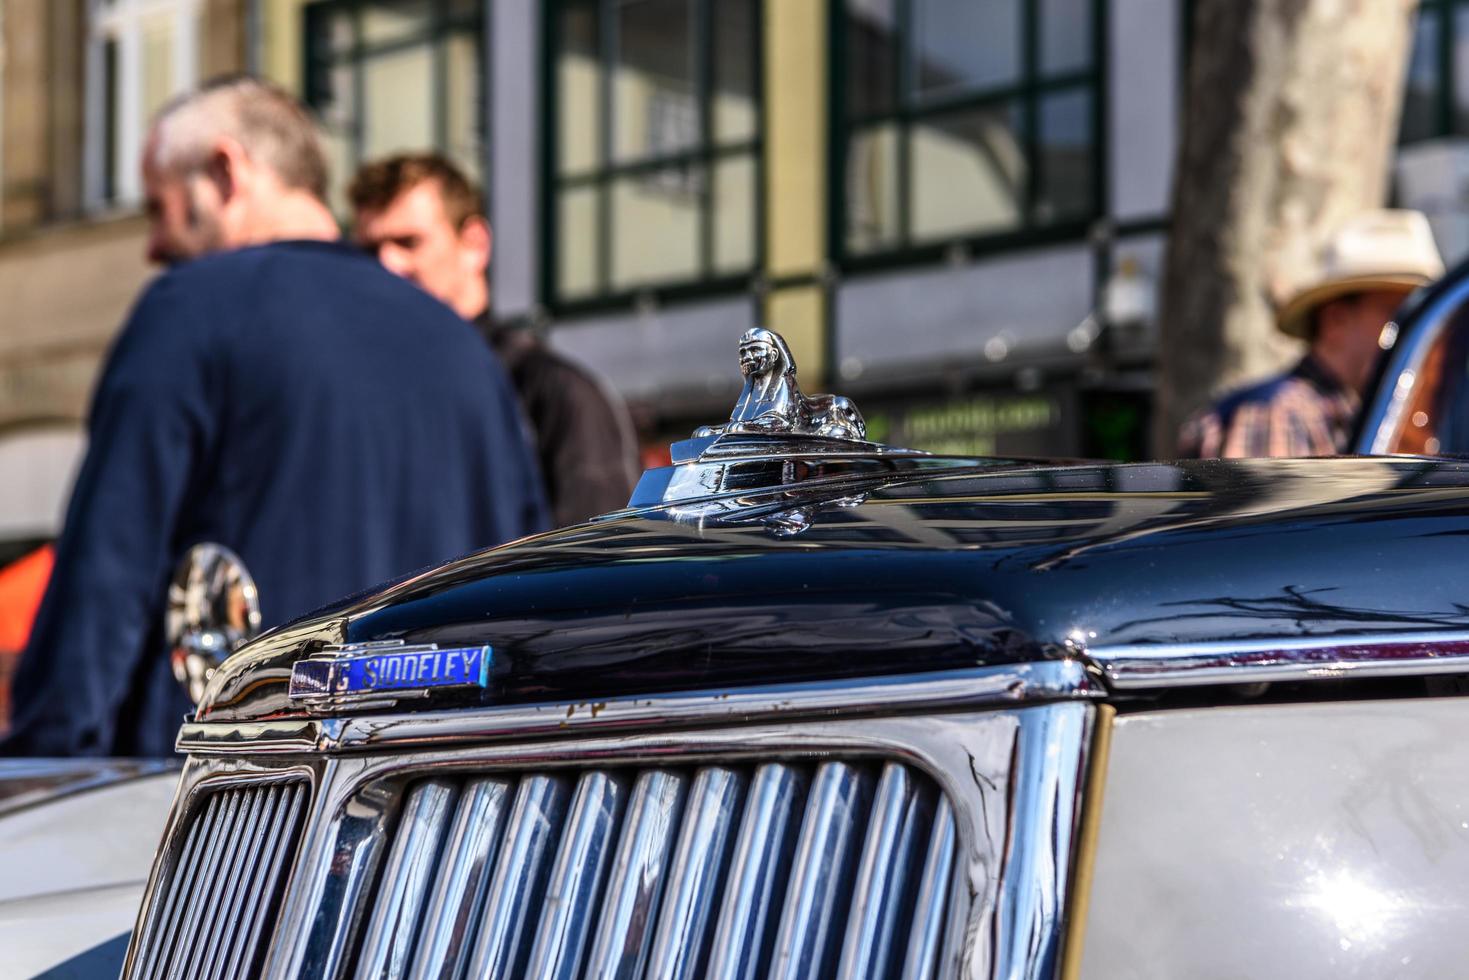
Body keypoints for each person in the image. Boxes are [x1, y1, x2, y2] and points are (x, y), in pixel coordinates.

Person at [1, 78, 548, 757]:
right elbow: (525, 595)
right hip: (433, 810)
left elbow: (106, 580)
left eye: (159, 207)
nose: (152, 244)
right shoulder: (463, 350)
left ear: (225, 172)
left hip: (238, 804)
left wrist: (44, 769)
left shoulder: (190, 310)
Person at [349, 154, 639, 526]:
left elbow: (598, 561)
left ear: (474, 244)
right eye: (370, 250)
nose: (387, 265)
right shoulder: (365, 394)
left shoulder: (553, 393)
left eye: (409, 242)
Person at [1178, 209, 1445, 458]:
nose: (1422, 335)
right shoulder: (1278, 414)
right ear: (1335, 320)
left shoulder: (1349, 416)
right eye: (1399, 315)